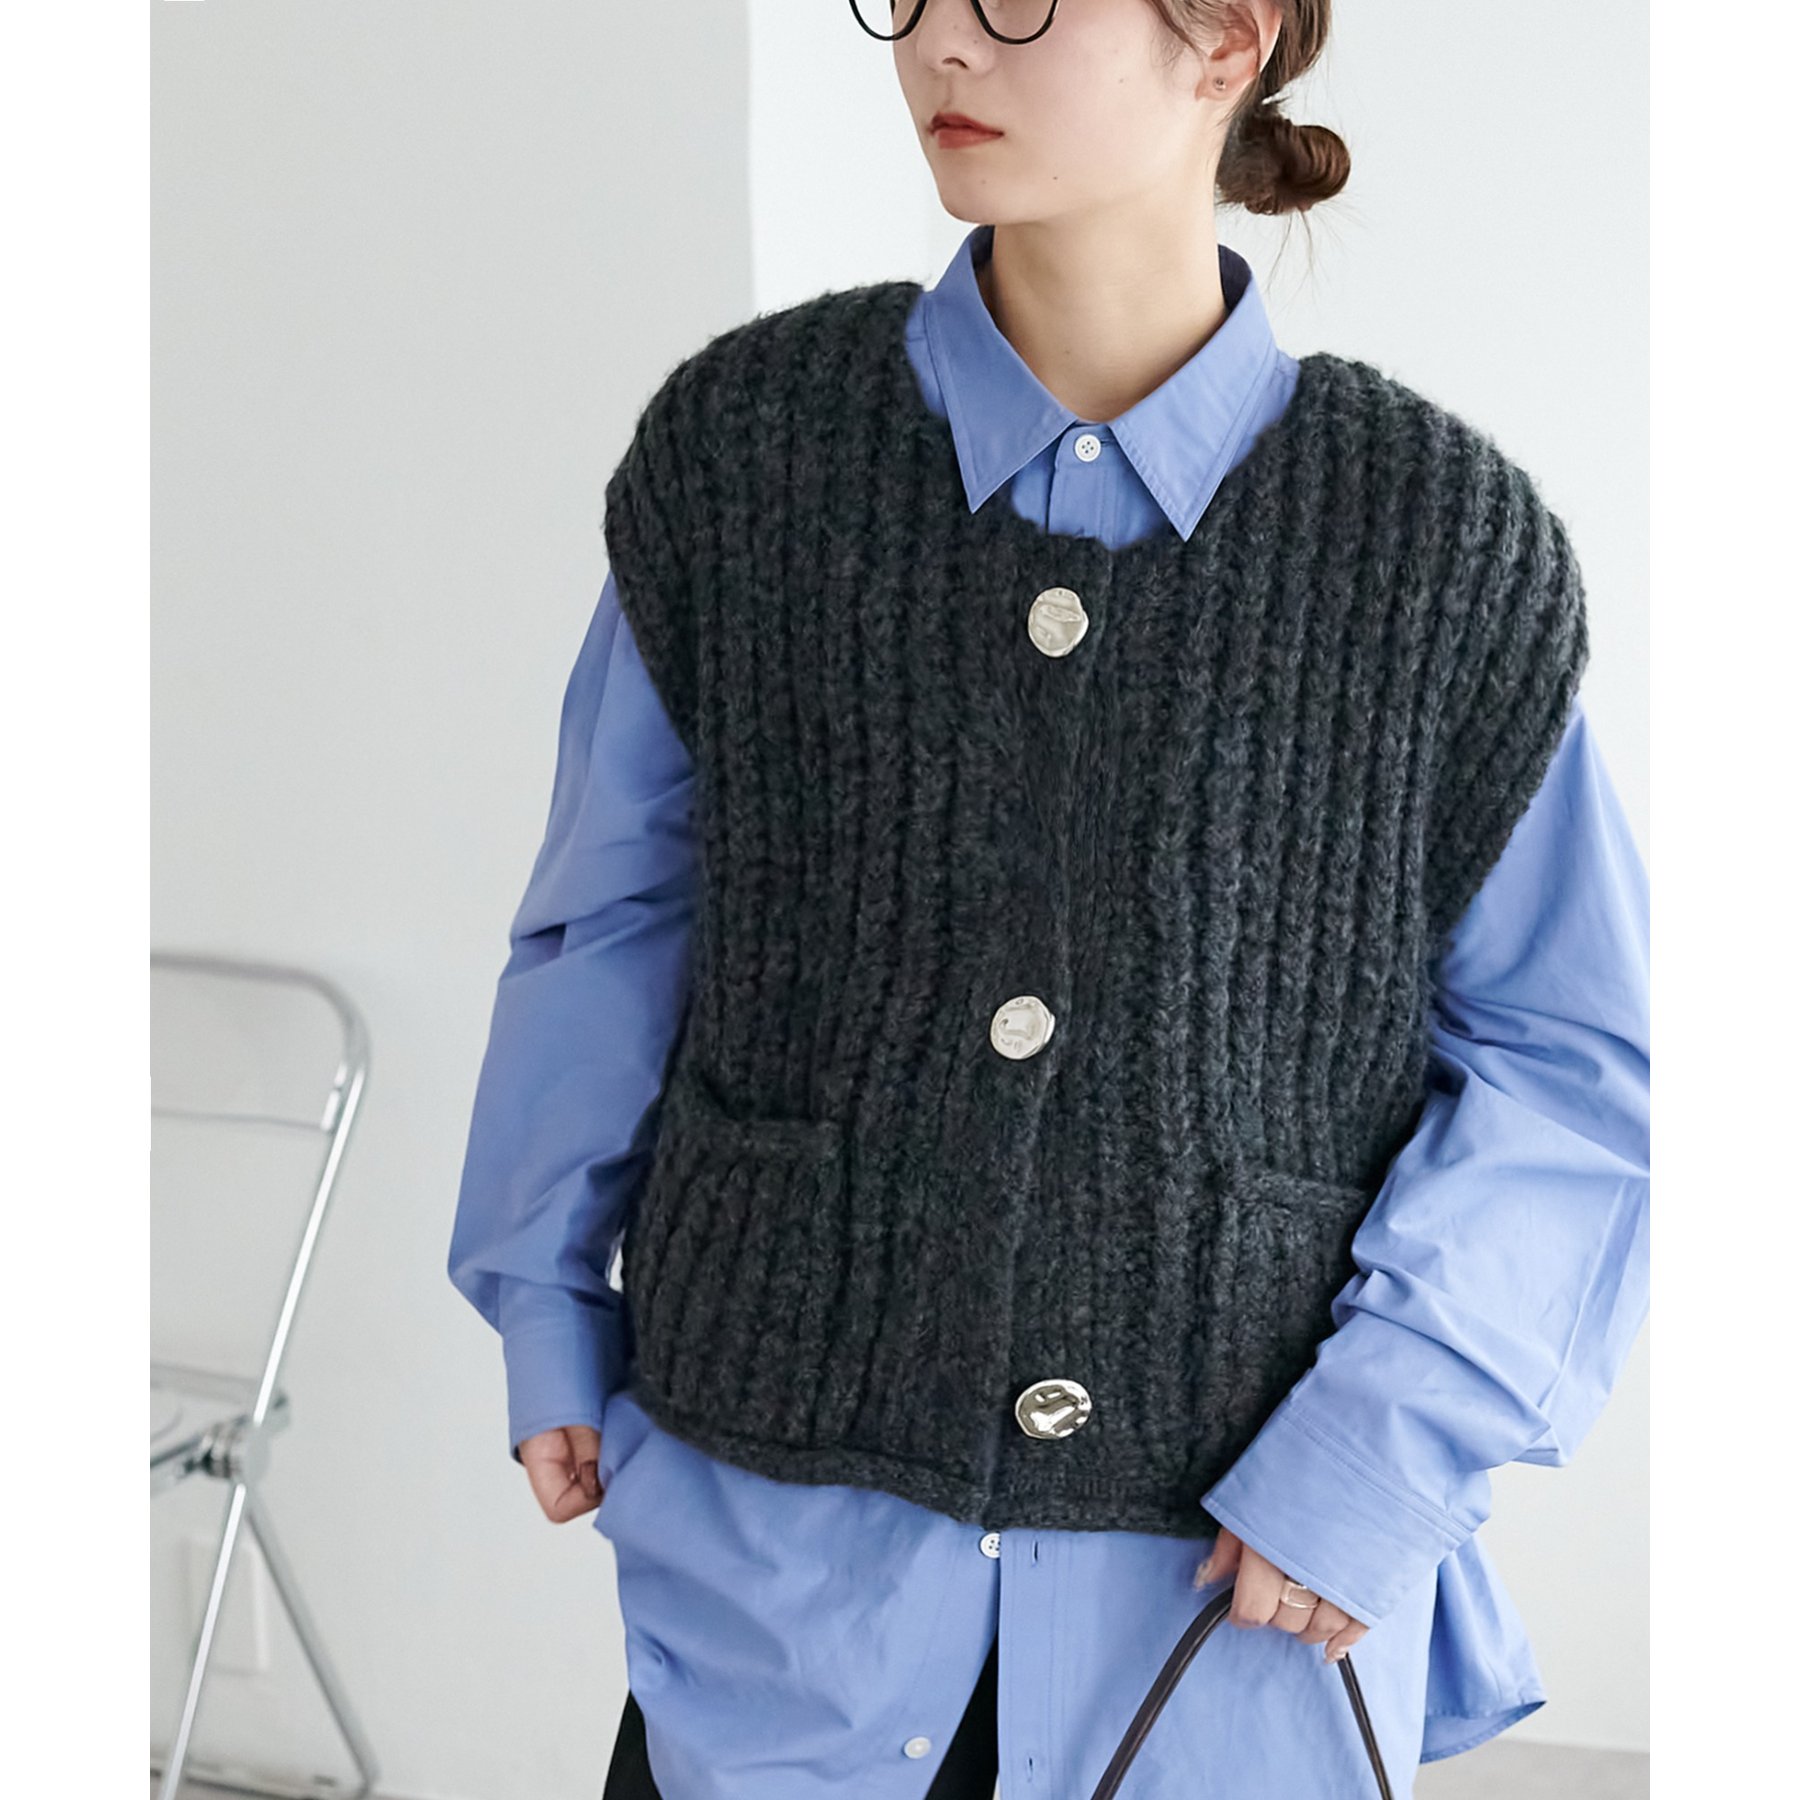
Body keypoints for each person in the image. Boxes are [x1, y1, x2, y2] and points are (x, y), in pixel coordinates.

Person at [447, 2, 1650, 1795]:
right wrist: (546, 1289)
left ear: (1227, 40)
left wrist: (1381, 1451)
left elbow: (1576, 1071)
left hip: (1228, 1597)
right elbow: (610, 920)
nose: (944, 41)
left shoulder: (1433, 548)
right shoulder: (749, 459)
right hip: (792, 1583)